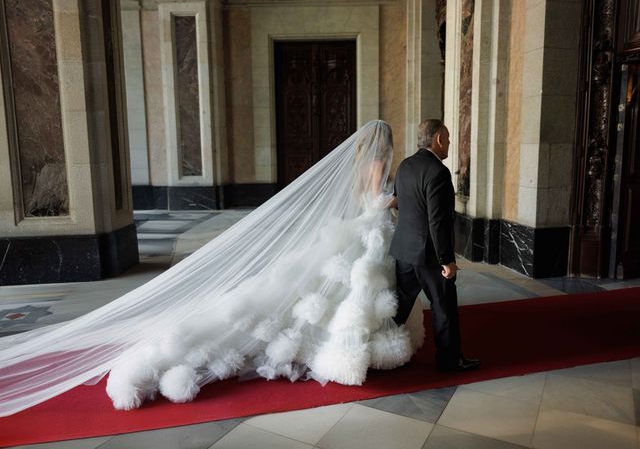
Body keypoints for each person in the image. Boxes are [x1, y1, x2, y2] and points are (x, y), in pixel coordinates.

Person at [0, 120, 425, 416]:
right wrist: (396, 200)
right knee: (333, 294)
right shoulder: (377, 166)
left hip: (358, 235)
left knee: (313, 295)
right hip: (365, 235)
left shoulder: (356, 165)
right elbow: (374, 201)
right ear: (382, 145)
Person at [390, 119, 480, 372]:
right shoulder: (438, 172)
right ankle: (450, 362)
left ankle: (379, 352)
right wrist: (447, 261)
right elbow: (438, 222)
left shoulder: (405, 166)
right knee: (444, 309)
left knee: (399, 309)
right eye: (449, 139)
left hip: (403, 251)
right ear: (438, 138)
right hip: (429, 256)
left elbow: (400, 204)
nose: (450, 143)